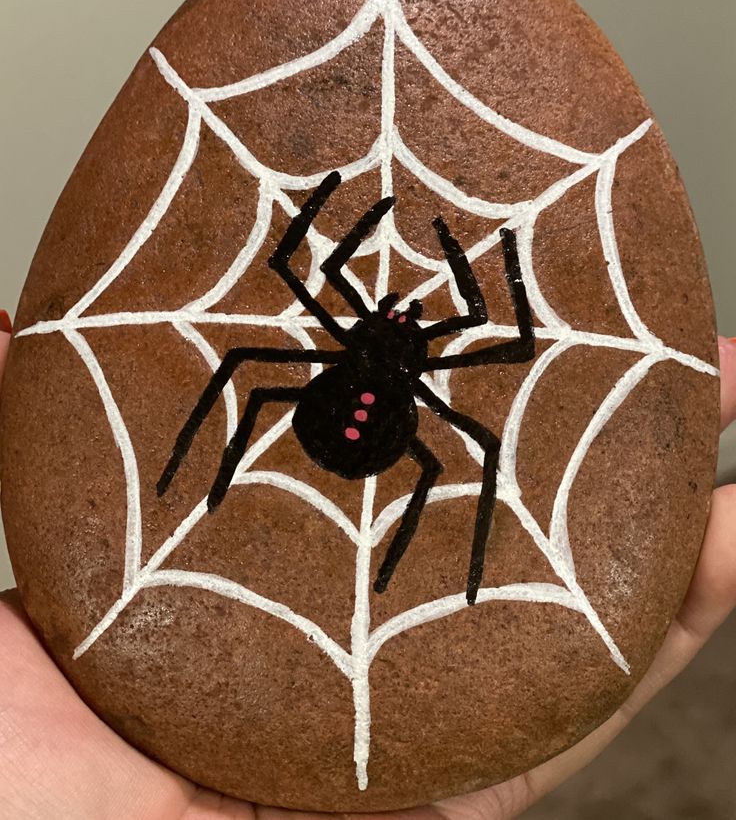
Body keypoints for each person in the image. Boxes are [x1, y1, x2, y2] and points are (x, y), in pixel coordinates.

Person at [0, 316, 734, 819]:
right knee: (302, 396)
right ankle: (253, 502)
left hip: (348, 413)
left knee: (255, 379)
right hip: (350, 416)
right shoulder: (409, 351)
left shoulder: (364, 339)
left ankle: (378, 566)